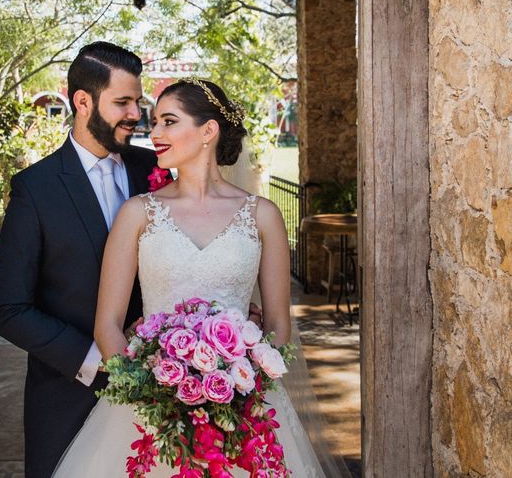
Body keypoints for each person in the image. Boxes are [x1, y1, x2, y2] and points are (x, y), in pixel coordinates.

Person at [52, 78, 348, 477]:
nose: (154, 133)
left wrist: (238, 389)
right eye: (155, 122)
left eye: (168, 121)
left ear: (208, 131)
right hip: (149, 410)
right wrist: (154, 392)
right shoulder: (138, 214)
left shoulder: (262, 216)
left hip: (243, 409)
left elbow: (278, 326)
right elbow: (107, 325)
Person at [0, 41, 158, 478]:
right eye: (122, 102)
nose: (135, 114)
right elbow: (10, 310)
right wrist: (96, 360)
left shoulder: (155, 169)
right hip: (68, 396)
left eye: (136, 101)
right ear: (82, 102)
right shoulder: (35, 188)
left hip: (159, 396)